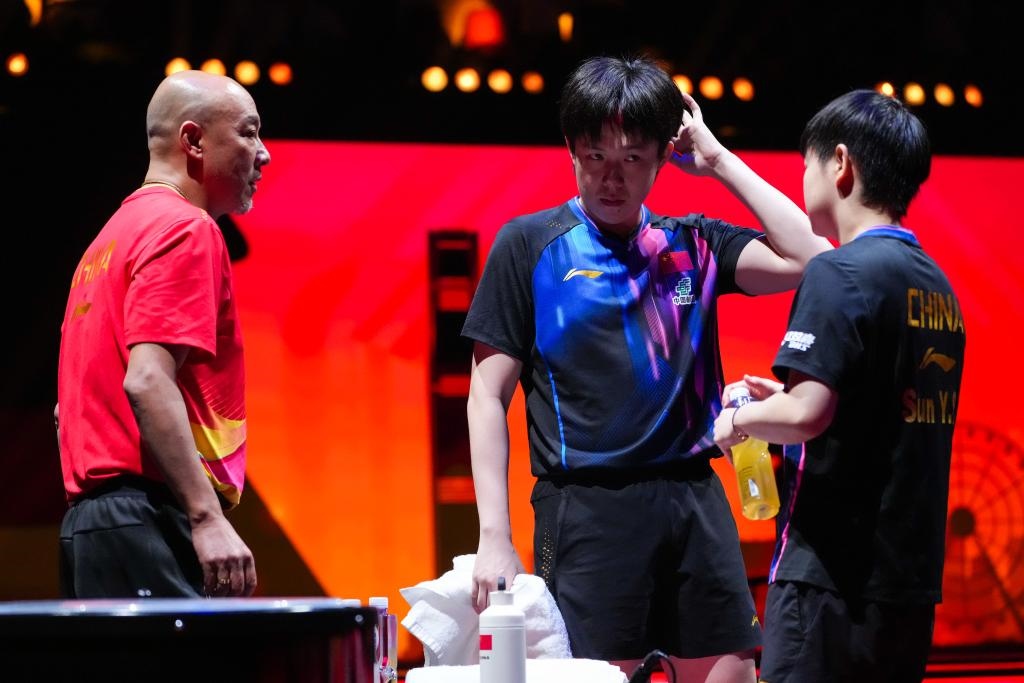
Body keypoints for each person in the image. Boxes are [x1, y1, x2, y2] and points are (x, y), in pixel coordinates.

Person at [462, 56, 830, 681]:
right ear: (570, 151)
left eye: (633, 157)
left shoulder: (695, 244)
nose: (612, 177)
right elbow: (486, 395)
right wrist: (493, 534)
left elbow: (813, 257)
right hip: (586, 511)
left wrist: (717, 159)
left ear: (663, 157)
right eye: (594, 155)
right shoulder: (528, 246)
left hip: (695, 500)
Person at [713, 90, 965, 681]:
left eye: (807, 163)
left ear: (841, 164)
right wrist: (783, 401)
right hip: (907, 590)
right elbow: (873, 409)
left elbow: (808, 416)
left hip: (828, 583)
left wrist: (737, 420)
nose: (803, 177)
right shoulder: (938, 287)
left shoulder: (838, 270)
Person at [55, 70, 271, 598]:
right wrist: (206, 516)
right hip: (147, 518)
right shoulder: (186, 228)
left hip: (92, 527)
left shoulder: (107, 242)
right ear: (193, 140)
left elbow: (67, 411)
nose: (263, 154)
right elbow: (147, 380)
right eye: (248, 133)